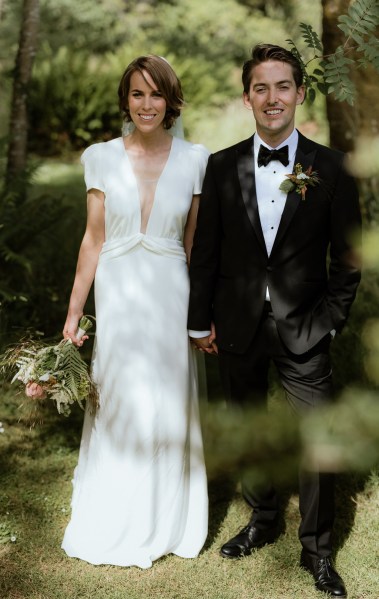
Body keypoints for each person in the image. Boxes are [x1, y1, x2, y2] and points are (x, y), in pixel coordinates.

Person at [188, 44, 361, 597]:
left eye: (282, 86)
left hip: (306, 325)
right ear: (246, 97)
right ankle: (262, 520)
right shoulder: (220, 166)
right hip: (235, 324)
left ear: (300, 93)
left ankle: (318, 551)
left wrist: (332, 320)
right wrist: (199, 322)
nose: (271, 98)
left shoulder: (330, 167)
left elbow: (349, 256)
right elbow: (207, 253)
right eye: (260, 88)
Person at [61, 55, 209, 568]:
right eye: (138, 94)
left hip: (171, 294)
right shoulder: (99, 156)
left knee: (166, 401)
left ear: (171, 101)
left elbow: (194, 247)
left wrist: (202, 314)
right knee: (121, 399)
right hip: (119, 294)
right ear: (126, 100)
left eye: (157, 94)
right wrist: (74, 315)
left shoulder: (196, 158)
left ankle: (167, 519)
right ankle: (116, 513)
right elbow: (92, 241)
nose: (147, 104)